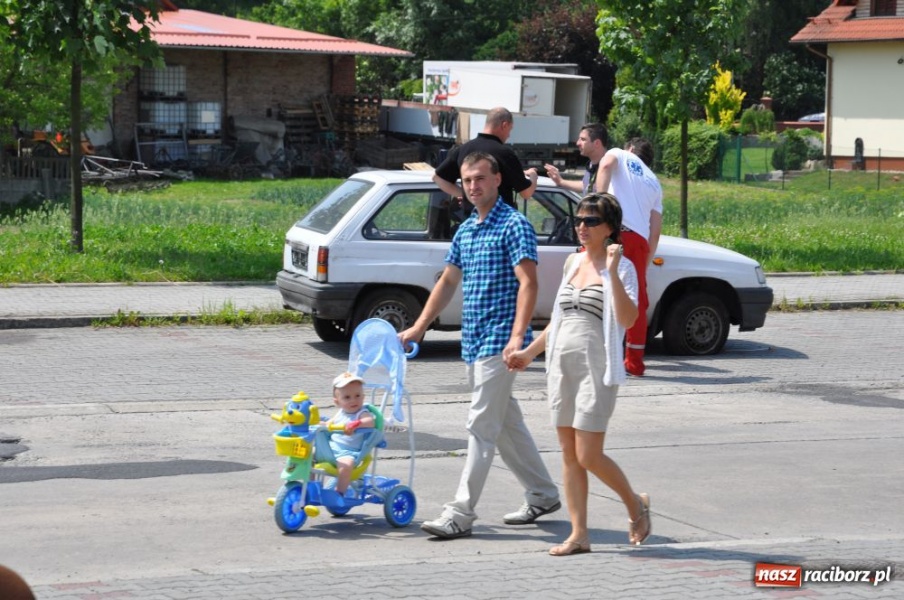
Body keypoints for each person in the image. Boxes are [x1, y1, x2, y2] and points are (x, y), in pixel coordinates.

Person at [400, 151, 560, 539]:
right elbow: (448, 281)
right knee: (506, 425)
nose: (473, 186)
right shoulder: (468, 229)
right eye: (468, 180)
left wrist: (518, 336)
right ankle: (542, 493)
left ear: (497, 180)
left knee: (480, 426)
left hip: (500, 341)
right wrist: (419, 327)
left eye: (480, 179)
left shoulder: (514, 226)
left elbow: (529, 283)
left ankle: (460, 513)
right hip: (472, 341)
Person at [508, 192, 651, 555]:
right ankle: (578, 534)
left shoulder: (623, 267)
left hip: (597, 368)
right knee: (569, 455)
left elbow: (629, 319)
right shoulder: (573, 262)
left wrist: (613, 273)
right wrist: (528, 353)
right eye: (579, 219)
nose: (581, 227)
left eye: (590, 221)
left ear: (609, 229)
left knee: (589, 454)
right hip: (561, 367)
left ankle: (635, 504)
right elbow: (558, 320)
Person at [596, 136, 663, 377]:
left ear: (631, 148)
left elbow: (604, 166)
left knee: (595, 285)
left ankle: (598, 353)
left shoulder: (619, 154)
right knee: (637, 299)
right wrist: (643, 264)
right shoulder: (655, 182)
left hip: (613, 232)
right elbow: (655, 232)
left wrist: (598, 204)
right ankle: (634, 362)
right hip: (639, 240)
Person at [433, 106, 538, 209]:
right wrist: (533, 176)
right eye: (510, 130)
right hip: (499, 222)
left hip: (472, 221)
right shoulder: (505, 154)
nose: (509, 135)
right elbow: (526, 193)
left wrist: (467, 194)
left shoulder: (463, 149)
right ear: (504, 125)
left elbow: (437, 178)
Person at [315, 372, 376, 498]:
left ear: (363, 397)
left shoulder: (361, 413)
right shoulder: (340, 413)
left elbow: (370, 422)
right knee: (308, 457)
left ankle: (339, 493)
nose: (353, 400)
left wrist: (356, 424)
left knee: (346, 466)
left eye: (357, 396)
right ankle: (311, 486)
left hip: (348, 452)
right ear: (337, 401)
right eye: (347, 397)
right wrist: (318, 424)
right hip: (330, 448)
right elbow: (328, 424)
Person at [544, 122, 608, 195]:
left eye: (583, 139)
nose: (578, 143)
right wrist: (560, 181)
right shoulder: (592, 164)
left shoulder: (611, 167)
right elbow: (585, 186)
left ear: (597, 143)